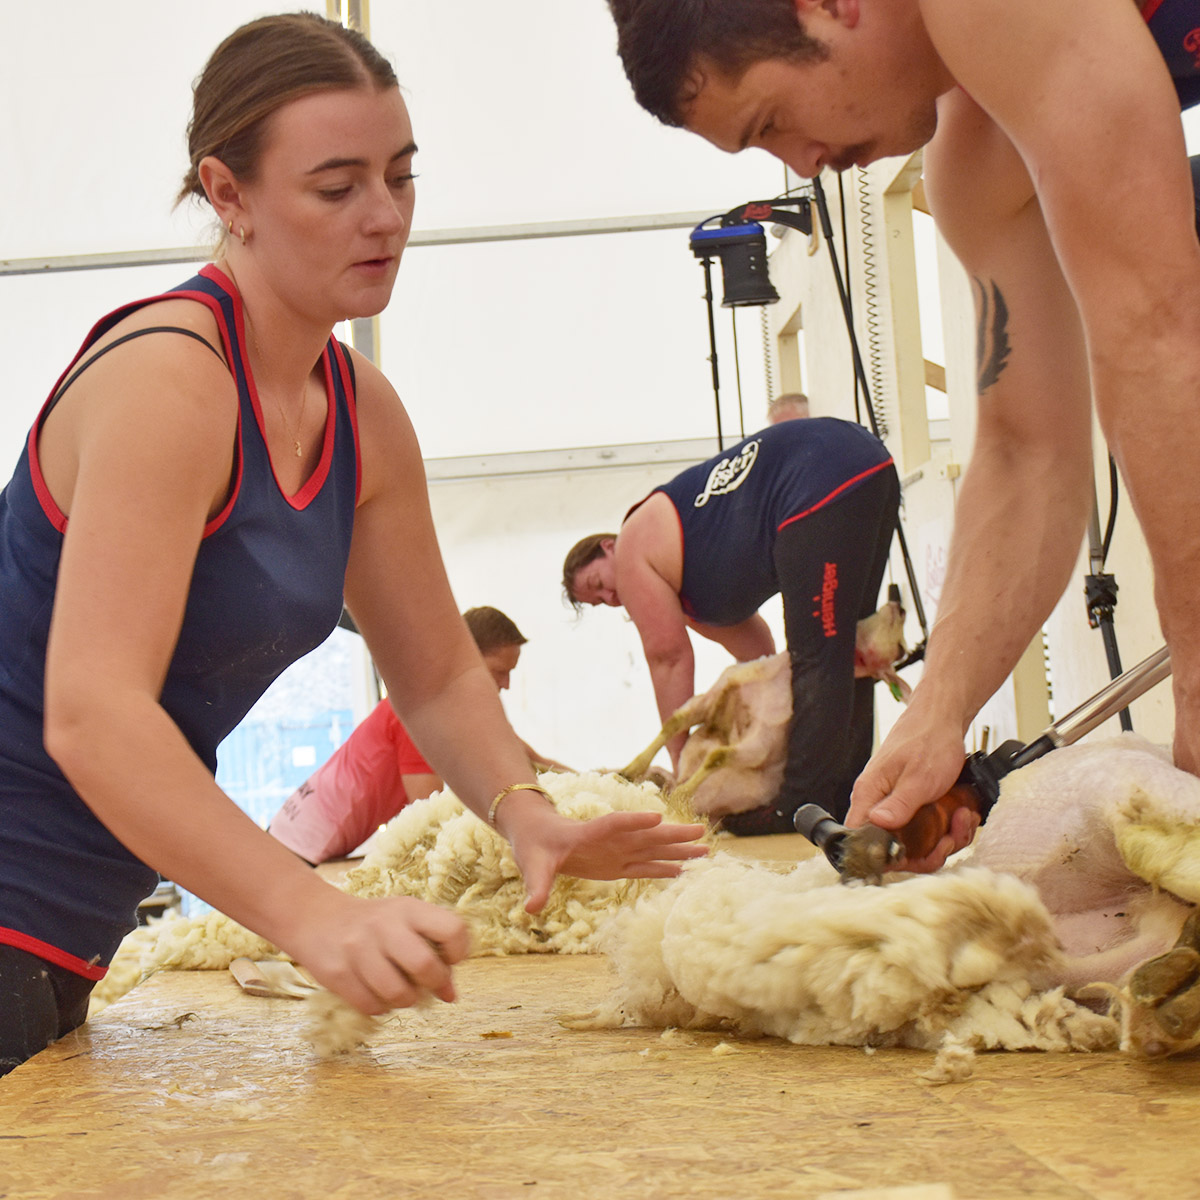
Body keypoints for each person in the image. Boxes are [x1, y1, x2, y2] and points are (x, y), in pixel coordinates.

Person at [0, 13, 706, 1077]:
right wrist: (311, 915)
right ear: (227, 194)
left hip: (61, 926)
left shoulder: (361, 413)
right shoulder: (169, 384)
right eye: (336, 189)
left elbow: (435, 677)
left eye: (401, 177)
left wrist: (524, 812)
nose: (384, 218)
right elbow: (93, 717)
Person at [605, 0, 1200, 867]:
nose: (805, 165)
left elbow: (1156, 330)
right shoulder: (977, 154)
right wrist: (937, 717)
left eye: (774, 121)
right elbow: (1027, 447)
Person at [563, 416, 899, 834]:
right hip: (867, 467)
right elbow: (759, 657)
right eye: (600, 602)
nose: (613, 598)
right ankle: (844, 795)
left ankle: (798, 804)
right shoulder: (692, 582)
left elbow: (668, 657)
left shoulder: (634, 544)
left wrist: (682, 768)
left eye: (600, 583)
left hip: (818, 480)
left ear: (608, 547)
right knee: (852, 652)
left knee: (820, 656)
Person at [269, 606, 571, 864]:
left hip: (307, 829)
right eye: (499, 671)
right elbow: (427, 812)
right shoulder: (421, 710)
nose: (506, 685)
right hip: (301, 840)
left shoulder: (460, 711)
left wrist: (602, 783)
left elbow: (527, 759)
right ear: (468, 660)